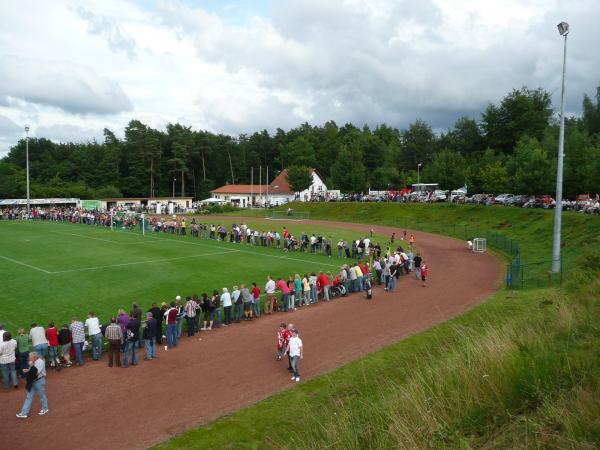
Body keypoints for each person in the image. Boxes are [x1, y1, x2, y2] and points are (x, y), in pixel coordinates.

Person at [16, 352, 49, 418]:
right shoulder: (32, 361)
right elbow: (32, 371)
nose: (29, 358)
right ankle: (24, 413)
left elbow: (36, 372)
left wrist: (31, 366)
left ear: (35, 357)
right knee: (29, 397)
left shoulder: (40, 362)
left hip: (39, 381)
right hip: (32, 382)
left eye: (30, 357)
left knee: (42, 395)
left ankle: (45, 408)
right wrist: (27, 370)